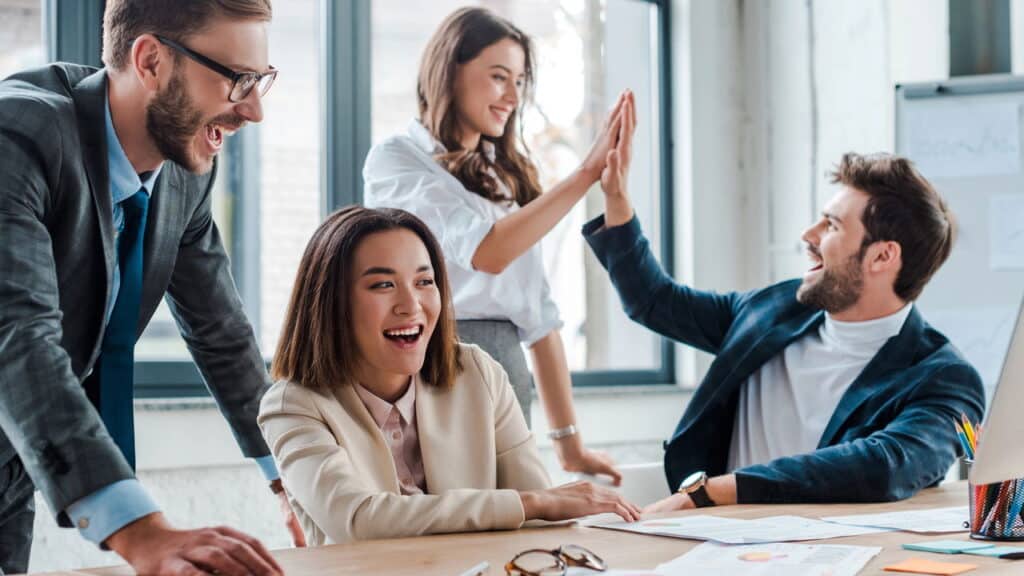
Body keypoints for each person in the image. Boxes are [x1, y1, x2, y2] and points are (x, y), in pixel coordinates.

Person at [0, 1, 299, 573]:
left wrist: (291, 478)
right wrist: (144, 534)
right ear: (152, 60)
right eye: (237, 80)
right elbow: (17, 339)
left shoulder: (183, 172)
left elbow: (221, 330)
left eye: (260, 81)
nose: (254, 110)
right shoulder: (18, 136)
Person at [585, 142, 985, 511]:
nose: (808, 236)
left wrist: (714, 492)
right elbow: (655, 302)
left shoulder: (943, 379)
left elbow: (886, 465)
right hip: (713, 545)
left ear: (882, 256)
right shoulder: (774, 309)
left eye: (831, 225)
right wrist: (616, 198)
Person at [363, 7, 635, 483]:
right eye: (498, 77)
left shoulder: (502, 179)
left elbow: (539, 316)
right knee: (447, 529)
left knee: (513, 534)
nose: (513, 96)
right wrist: (585, 174)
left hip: (507, 375)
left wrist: (570, 447)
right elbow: (487, 252)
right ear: (450, 71)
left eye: (520, 81)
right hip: (436, 368)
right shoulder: (397, 161)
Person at [258, 206, 640, 545]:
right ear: (330, 301)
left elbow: (538, 516)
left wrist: (537, 505)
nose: (412, 305)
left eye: (425, 282)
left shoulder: (478, 372)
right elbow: (357, 519)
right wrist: (529, 504)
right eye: (383, 285)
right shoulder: (292, 405)